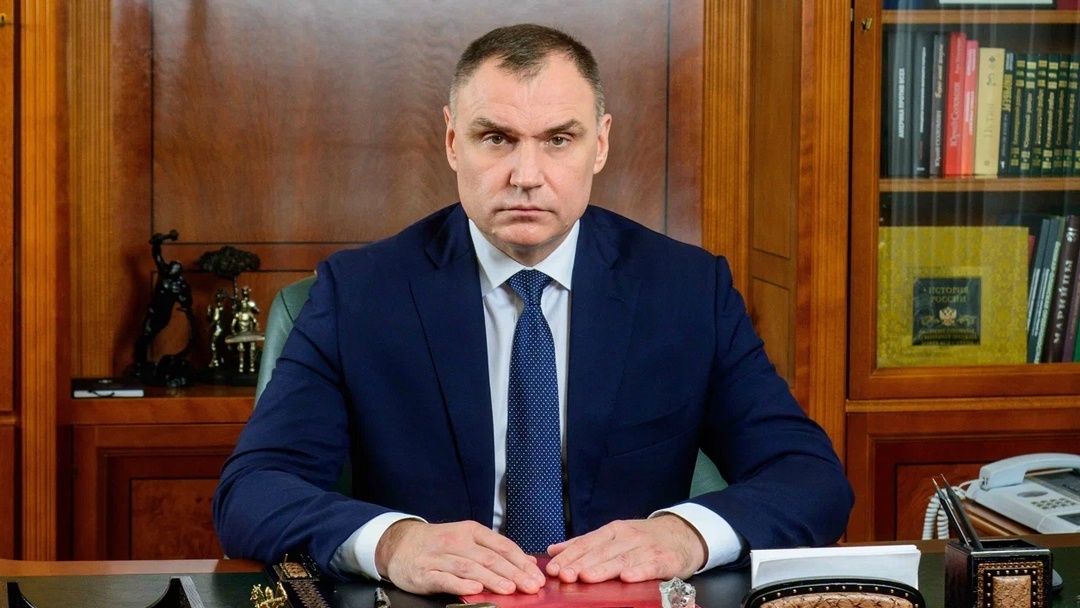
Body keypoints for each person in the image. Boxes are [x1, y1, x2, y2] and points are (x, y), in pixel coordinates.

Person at [213, 23, 853, 598]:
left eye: (558, 140)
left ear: (599, 145)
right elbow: (252, 490)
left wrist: (684, 536)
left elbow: (809, 477)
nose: (526, 174)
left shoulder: (687, 290)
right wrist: (394, 544)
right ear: (452, 142)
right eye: (496, 138)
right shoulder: (358, 293)